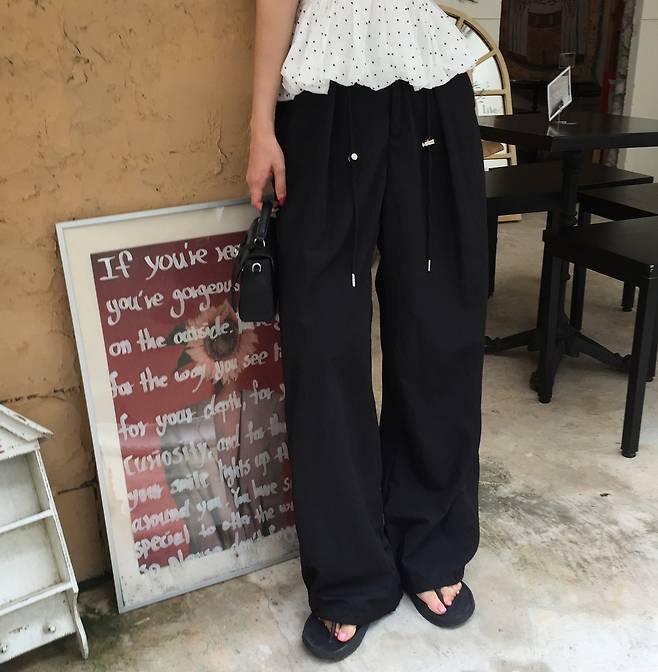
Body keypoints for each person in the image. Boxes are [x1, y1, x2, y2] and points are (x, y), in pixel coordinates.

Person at [246, 0, 488, 661]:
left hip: (432, 88)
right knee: (321, 340)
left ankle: (430, 540)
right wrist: (261, 125)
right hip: (323, 95)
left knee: (440, 331)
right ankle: (349, 570)